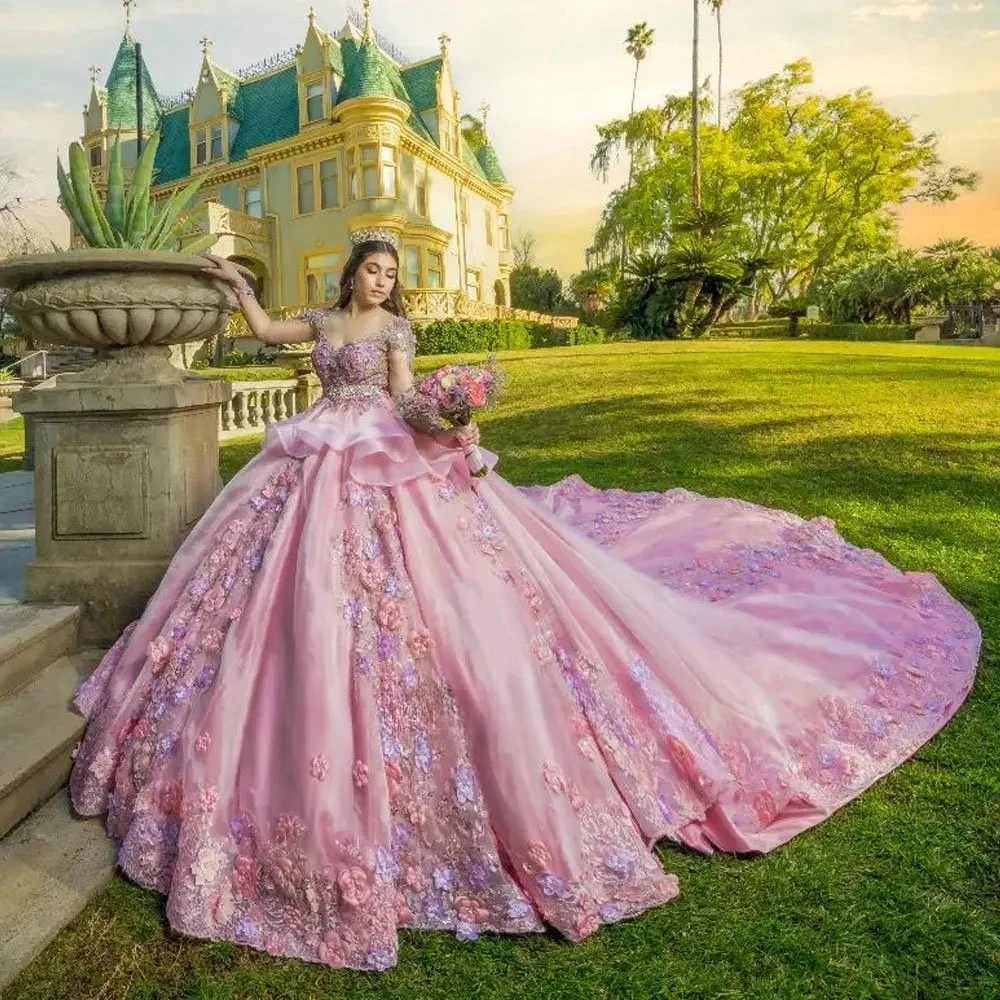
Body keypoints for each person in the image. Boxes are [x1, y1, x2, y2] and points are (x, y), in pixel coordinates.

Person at [68, 229, 979, 973]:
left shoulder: (391, 338)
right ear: (350, 275)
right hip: (312, 457)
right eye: (373, 269)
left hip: (380, 455)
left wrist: (454, 417)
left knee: (435, 593)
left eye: (392, 273)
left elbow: (405, 404)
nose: (382, 281)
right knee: (282, 591)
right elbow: (265, 331)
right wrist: (231, 281)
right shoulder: (320, 321)